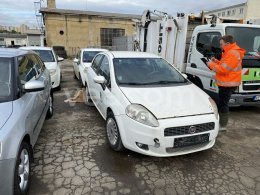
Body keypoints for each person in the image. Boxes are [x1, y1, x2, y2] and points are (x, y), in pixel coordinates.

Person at [207, 35, 246, 131]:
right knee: (222, 103)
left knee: (223, 104)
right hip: (227, 83)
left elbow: (223, 70)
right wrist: (216, 61)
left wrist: (211, 65)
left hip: (227, 84)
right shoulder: (230, 52)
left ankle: (223, 125)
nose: (220, 46)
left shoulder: (232, 53)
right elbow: (224, 65)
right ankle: (222, 123)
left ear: (228, 44)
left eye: (221, 44)